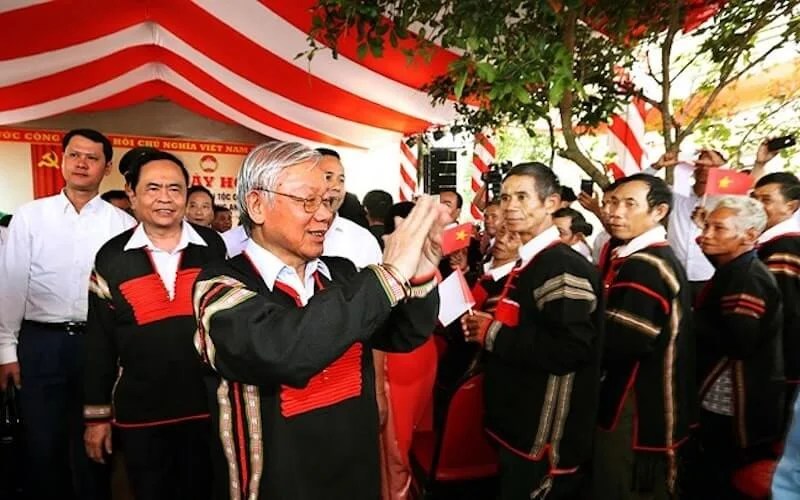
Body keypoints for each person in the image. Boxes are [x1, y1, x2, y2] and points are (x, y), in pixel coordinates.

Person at [192, 141, 448, 499]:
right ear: (257, 205)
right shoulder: (219, 287)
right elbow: (282, 350)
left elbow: (404, 334)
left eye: (327, 201)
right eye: (307, 201)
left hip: (354, 479)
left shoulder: (341, 274)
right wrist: (387, 276)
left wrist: (419, 274)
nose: (325, 214)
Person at [0, 128, 136, 500]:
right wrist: (6, 350)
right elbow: (11, 285)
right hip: (41, 344)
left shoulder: (123, 225)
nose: (81, 163)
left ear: (107, 167)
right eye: (74, 155)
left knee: (96, 446)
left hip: (99, 346)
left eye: (92, 158)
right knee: (43, 446)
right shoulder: (31, 216)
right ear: (61, 160)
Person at [83, 150, 226, 500]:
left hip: (207, 409)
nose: (165, 198)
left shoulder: (212, 248)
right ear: (131, 194)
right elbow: (99, 342)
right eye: (153, 188)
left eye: (175, 189)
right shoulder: (112, 257)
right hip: (141, 412)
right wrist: (97, 417)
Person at [462, 162, 602, 499]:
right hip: (519, 423)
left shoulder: (562, 266)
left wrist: (492, 333)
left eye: (523, 197)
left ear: (551, 203)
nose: (510, 206)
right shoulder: (532, 260)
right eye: (506, 197)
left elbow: (570, 349)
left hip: (544, 436)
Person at [591, 174, 693, 499]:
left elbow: (624, 341)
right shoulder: (638, 257)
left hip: (637, 400)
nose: (615, 212)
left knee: (622, 482)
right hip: (641, 394)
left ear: (659, 211)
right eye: (612, 202)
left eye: (629, 204)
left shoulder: (647, 265)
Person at [693, 196, 784, 497]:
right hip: (727, 389)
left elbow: (739, 342)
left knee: (719, 468)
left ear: (749, 235)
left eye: (718, 228)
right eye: (706, 226)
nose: (706, 234)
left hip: (731, 393)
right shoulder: (736, 267)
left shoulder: (746, 277)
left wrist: (688, 321)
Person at [752, 172, 800, 414]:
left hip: (782, 353)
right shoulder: (770, 241)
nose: (757, 206)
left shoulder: (784, 246)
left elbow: (784, 309)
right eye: (754, 198)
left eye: (766, 200)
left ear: (791, 206)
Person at [317, 148, 383, 269]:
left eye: (341, 180)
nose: (337, 187)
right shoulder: (287, 233)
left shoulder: (363, 240)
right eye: (328, 177)